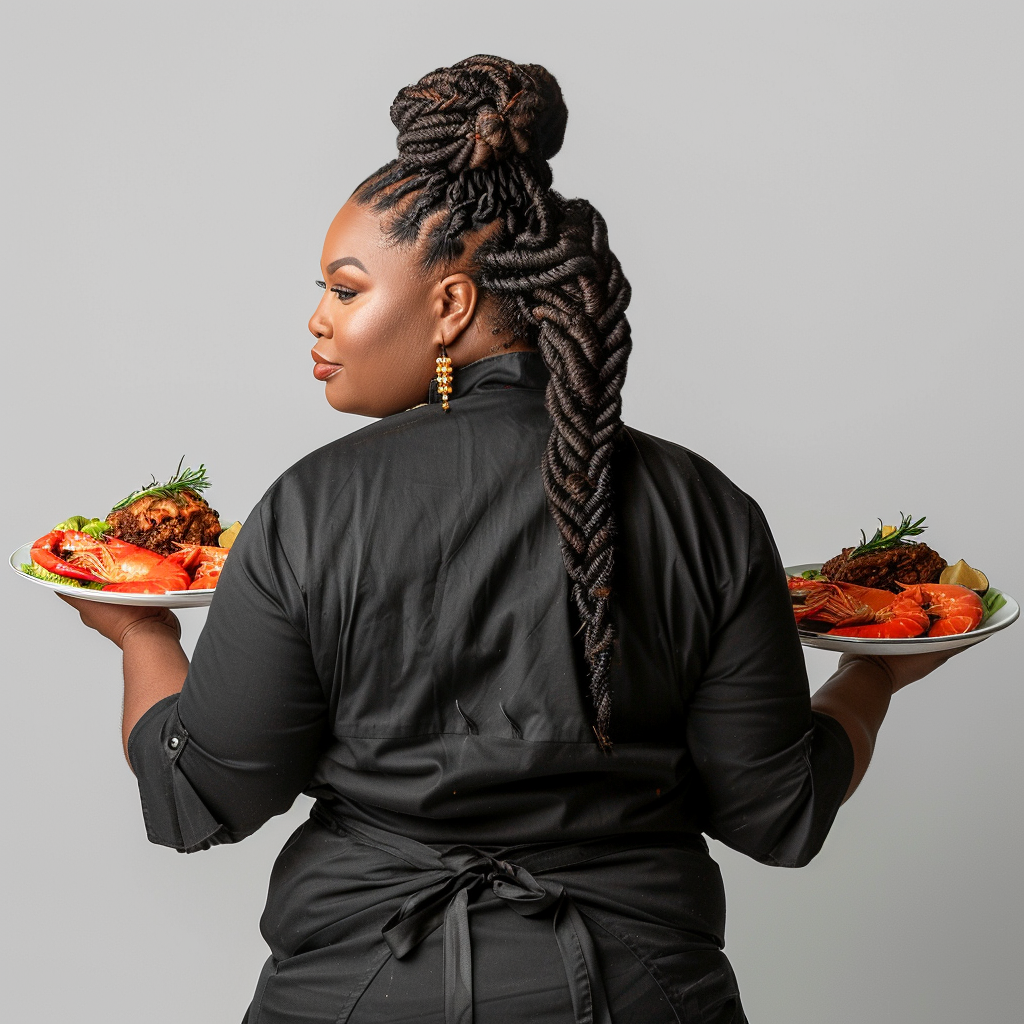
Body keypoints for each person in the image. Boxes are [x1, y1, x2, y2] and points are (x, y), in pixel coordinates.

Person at [61, 55, 954, 1024]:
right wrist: (877, 675)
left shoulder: (312, 507)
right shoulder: (706, 509)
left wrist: (141, 635)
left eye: (346, 289)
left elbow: (196, 797)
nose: (317, 319)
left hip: (358, 995)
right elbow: (780, 814)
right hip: (643, 993)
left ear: (449, 306)